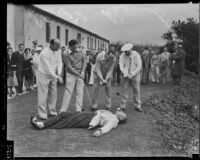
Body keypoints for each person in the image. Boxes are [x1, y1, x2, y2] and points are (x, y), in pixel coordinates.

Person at [30, 108, 127, 137]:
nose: (120, 110)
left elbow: (108, 126)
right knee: (63, 114)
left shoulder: (113, 120)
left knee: (65, 123)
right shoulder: (112, 114)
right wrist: (98, 111)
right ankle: (43, 124)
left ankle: (41, 125)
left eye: (122, 112)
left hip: (87, 120)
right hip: (87, 115)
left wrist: (100, 131)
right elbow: (99, 111)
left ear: (121, 118)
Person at [37, 38, 63, 120]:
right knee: (43, 94)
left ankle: (52, 111)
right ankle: (42, 114)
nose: (59, 48)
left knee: (53, 93)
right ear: (52, 44)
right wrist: (57, 77)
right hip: (43, 74)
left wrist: (59, 73)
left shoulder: (58, 51)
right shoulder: (43, 53)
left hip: (54, 75)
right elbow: (48, 68)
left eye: (59, 46)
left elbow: (59, 62)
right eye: (57, 46)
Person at [60, 39, 86, 112]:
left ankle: (78, 109)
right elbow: (69, 67)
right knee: (68, 92)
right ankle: (63, 110)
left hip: (80, 73)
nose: (76, 49)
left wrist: (83, 71)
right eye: (74, 48)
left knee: (80, 92)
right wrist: (79, 74)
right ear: (70, 47)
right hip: (71, 74)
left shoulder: (81, 51)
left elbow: (84, 62)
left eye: (77, 47)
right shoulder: (65, 54)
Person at [119, 43, 142, 112]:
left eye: (128, 52)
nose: (126, 53)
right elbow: (121, 66)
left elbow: (139, 66)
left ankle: (137, 106)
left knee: (136, 90)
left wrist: (133, 74)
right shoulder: (122, 56)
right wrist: (125, 73)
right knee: (124, 90)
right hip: (125, 75)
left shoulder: (136, 55)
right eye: (125, 52)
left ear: (131, 50)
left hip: (135, 74)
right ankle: (123, 106)